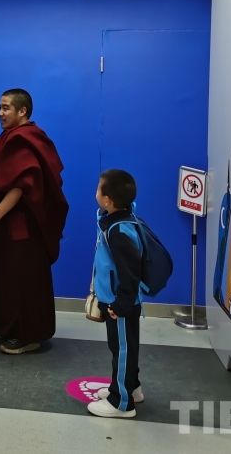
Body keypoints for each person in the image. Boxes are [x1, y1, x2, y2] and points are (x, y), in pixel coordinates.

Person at [0, 89, 69, 355]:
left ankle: (28, 335)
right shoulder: (13, 136)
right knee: (6, 275)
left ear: (22, 111)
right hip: (11, 222)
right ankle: (1, 324)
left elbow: (21, 185)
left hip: (23, 225)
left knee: (24, 280)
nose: (0, 113)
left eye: (6, 108)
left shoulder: (24, 138)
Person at [88, 169, 145, 418]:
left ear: (107, 199)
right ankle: (132, 388)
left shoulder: (119, 231)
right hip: (119, 300)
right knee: (127, 346)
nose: (96, 192)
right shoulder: (117, 220)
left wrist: (120, 304)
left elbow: (129, 272)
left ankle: (121, 402)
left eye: (98, 189)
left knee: (121, 349)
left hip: (118, 303)